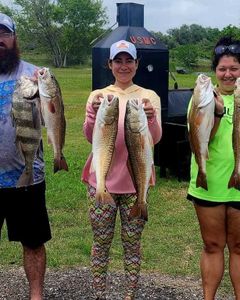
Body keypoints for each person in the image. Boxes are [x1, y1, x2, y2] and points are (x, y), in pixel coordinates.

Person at [82, 40, 162, 300]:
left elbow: (156, 138)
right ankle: (99, 294)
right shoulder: (98, 96)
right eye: (118, 60)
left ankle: (130, 294)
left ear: (137, 64)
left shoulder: (149, 97)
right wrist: (93, 116)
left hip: (135, 184)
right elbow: (88, 136)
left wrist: (150, 118)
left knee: (132, 245)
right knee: (100, 243)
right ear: (110, 64)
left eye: (129, 60)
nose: (124, 66)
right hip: (101, 181)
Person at [0, 12, 51, 300]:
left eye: (4, 34)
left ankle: (36, 295)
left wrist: (47, 92)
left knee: (33, 242)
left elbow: (52, 118)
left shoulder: (33, 74)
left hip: (27, 177)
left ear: (14, 37)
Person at [187, 36, 240, 300]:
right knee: (212, 245)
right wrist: (217, 112)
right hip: (209, 184)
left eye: (234, 68)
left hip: (239, 184)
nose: (228, 74)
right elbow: (201, 139)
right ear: (215, 71)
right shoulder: (203, 97)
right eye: (222, 69)